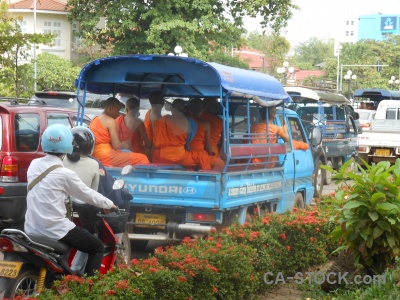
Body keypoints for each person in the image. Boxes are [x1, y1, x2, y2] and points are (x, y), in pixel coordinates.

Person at [24, 124, 117, 276]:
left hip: (31, 227)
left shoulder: (34, 165)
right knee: (97, 247)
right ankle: (88, 290)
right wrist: (110, 204)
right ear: (69, 146)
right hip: (55, 228)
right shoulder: (64, 174)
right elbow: (87, 194)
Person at [153, 99, 212, 170]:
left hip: (163, 156)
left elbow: (156, 142)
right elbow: (186, 143)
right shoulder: (187, 122)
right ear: (184, 110)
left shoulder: (162, 120)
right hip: (180, 156)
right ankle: (208, 176)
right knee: (202, 155)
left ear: (171, 109)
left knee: (155, 153)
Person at [89, 97, 149, 167]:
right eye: (118, 110)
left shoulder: (95, 119)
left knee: (127, 153)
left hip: (94, 154)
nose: (118, 114)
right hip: (105, 156)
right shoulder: (110, 121)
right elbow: (116, 146)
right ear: (111, 108)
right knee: (142, 158)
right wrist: (124, 144)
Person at [188, 98, 225, 171]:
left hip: (189, 151)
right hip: (210, 150)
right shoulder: (220, 121)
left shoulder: (187, 120)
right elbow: (223, 140)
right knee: (220, 163)